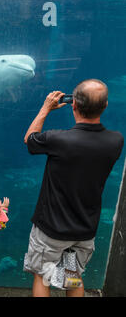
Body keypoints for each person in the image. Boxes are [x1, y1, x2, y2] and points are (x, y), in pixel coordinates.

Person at [23, 79, 124, 297]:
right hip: (84, 229)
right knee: (72, 276)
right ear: (105, 106)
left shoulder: (58, 139)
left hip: (52, 228)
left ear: (74, 105)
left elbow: (30, 140)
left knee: (42, 275)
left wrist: (45, 108)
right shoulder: (116, 141)